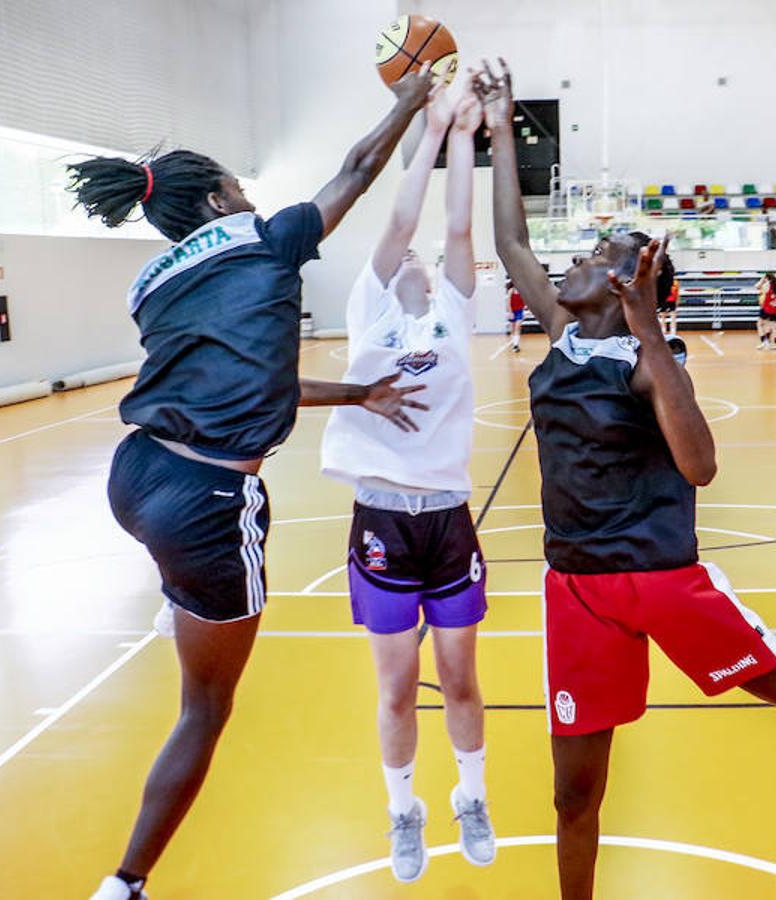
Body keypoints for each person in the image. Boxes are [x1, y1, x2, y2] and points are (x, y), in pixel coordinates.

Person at [476, 58, 776, 900]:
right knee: (573, 790)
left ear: (623, 284)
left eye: (592, 256)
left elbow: (701, 467)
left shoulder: (653, 366)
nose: (568, 262)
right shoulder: (559, 332)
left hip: (664, 580)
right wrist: (500, 127)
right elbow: (510, 242)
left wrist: (650, 328)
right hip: (578, 586)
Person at [71, 67, 438, 900]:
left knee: (190, 592)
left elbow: (250, 376)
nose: (247, 196)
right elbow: (353, 169)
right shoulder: (264, 240)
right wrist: (410, 101)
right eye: (237, 186)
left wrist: (358, 393)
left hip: (135, 474)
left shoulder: (153, 283)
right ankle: (126, 884)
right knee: (205, 708)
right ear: (212, 200)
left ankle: (186, 594)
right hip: (204, 502)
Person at [318, 81, 496, 884]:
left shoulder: (453, 313)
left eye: (428, 258)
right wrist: (427, 131)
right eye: (411, 258)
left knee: (459, 678)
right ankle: (402, 812)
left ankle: (470, 795)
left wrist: (469, 130)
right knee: (396, 691)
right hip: (384, 519)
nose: (421, 256)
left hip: (448, 519)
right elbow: (402, 218)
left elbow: (458, 223)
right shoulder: (370, 310)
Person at [755, 272, 776, 349]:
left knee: (759, 324)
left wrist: (762, 279)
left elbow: (756, 286)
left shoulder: (766, 285)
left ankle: (763, 341)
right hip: (773, 308)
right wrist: (775, 280)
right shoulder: (775, 285)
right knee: (772, 326)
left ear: (766, 278)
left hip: (766, 308)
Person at [508, 280, 526, 352]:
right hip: (512, 311)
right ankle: (513, 343)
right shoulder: (511, 291)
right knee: (512, 329)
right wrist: (510, 312)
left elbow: (525, 301)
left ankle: (516, 345)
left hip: (520, 311)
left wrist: (525, 308)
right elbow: (508, 302)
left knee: (517, 327)